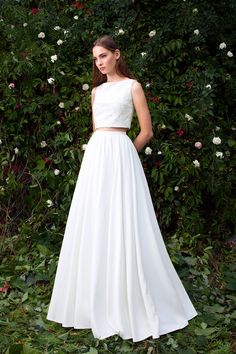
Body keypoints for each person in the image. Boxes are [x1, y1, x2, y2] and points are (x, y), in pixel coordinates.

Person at [47, 35, 197, 342]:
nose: (99, 62)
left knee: (124, 220)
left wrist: (127, 154)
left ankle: (131, 294)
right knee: (96, 219)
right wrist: (102, 153)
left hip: (120, 155)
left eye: (103, 56)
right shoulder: (96, 92)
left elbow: (146, 131)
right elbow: (96, 129)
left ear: (117, 54)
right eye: (95, 58)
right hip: (96, 157)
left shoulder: (133, 86)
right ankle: (93, 298)